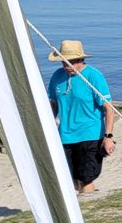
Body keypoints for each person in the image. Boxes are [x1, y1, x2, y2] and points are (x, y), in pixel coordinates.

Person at [45, 40, 116, 194]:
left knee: (86, 177)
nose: (66, 66)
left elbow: (109, 108)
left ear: (80, 60)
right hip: (64, 135)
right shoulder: (57, 76)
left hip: (90, 133)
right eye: (63, 63)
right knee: (72, 177)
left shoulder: (93, 76)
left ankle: (89, 203)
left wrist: (108, 137)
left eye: (70, 62)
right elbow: (54, 103)